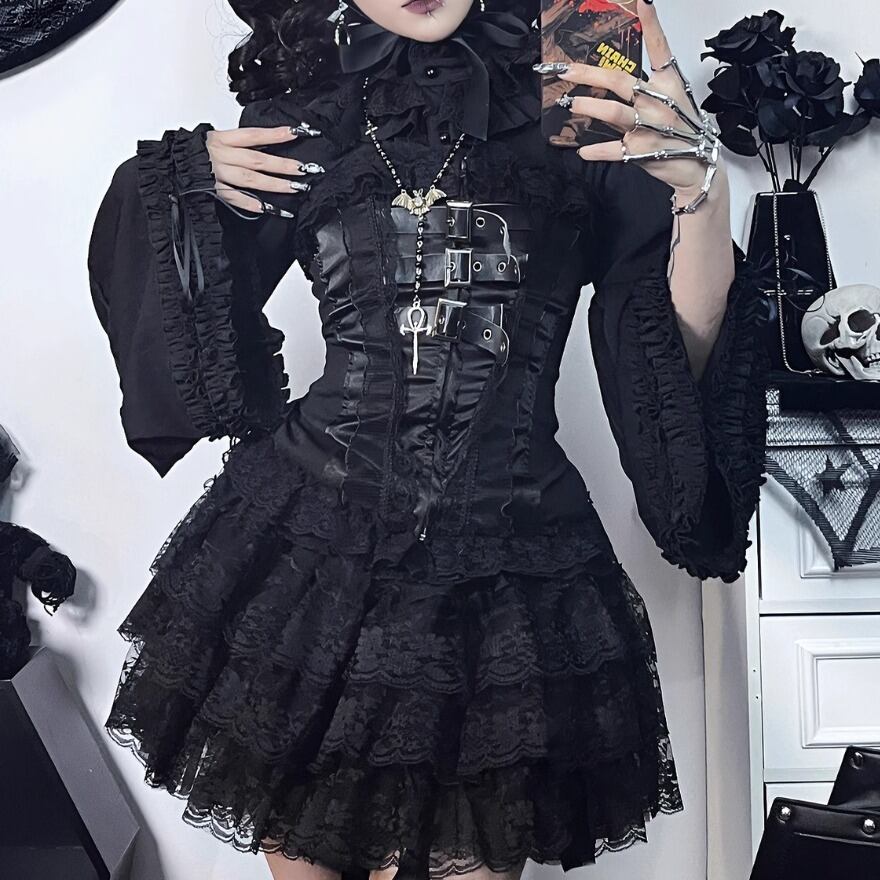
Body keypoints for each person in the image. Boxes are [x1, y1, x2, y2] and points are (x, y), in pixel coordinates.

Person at [86, 1, 769, 879]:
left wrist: (701, 189)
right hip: (308, 565)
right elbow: (187, 339)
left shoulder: (576, 75)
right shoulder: (309, 103)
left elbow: (674, 353)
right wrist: (173, 184)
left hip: (507, 575)